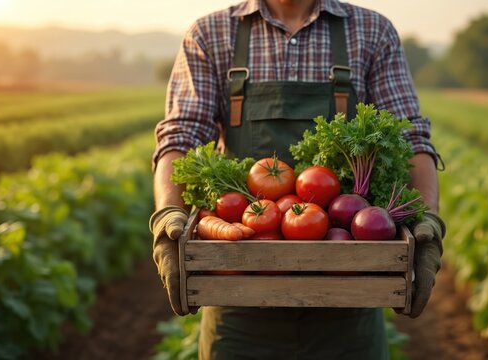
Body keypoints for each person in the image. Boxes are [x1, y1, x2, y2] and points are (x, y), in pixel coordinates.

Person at [150, 0, 446, 358]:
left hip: (349, 297)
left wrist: (426, 216)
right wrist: (169, 213)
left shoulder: (372, 32)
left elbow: (410, 138)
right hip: (239, 299)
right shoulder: (211, 34)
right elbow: (180, 139)